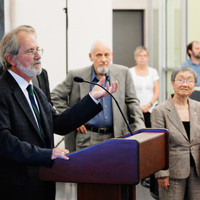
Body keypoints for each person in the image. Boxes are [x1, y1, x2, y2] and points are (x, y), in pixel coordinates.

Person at [0, 25, 118, 200]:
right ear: (11, 59)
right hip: (16, 188)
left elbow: (59, 123)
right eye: (30, 51)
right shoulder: (2, 90)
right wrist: (47, 154)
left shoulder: (36, 87)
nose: (38, 56)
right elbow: (4, 142)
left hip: (44, 183)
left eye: (38, 49)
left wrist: (92, 98)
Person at [51, 40, 145, 152]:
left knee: (115, 169)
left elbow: (132, 102)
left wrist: (140, 129)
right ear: (91, 57)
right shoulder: (76, 75)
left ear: (111, 55)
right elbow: (54, 95)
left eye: (106, 55)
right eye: (99, 55)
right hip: (86, 138)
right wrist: (72, 118)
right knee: (87, 169)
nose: (103, 59)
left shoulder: (123, 73)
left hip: (116, 136)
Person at [151, 65, 200, 200]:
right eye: (180, 80)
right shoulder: (160, 110)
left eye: (189, 81)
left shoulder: (198, 107)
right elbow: (157, 146)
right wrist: (161, 173)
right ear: (172, 83)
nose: (185, 84)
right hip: (172, 172)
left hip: (197, 170)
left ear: (195, 85)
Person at [130, 46, 159, 128]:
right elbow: (128, 93)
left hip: (151, 108)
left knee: (151, 133)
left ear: (148, 57)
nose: (142, 58)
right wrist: (138, 107)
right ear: (135, 57)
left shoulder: (153, 72)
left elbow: (157, 91)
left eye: (144, 55)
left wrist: (149, 104)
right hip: (136, 109)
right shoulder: (130, 72)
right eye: (139, 55)